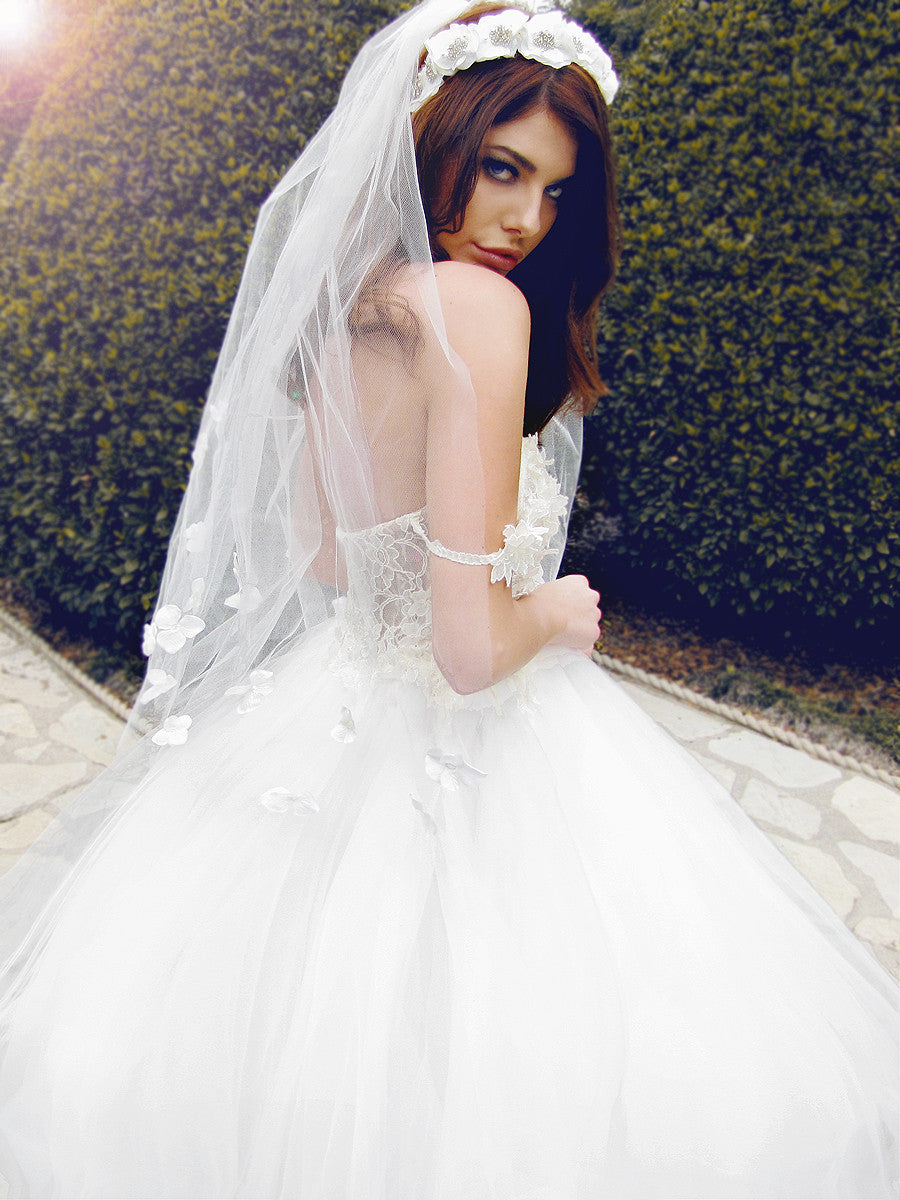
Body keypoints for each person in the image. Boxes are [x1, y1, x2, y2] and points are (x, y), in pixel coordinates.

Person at [0, 0, 897, 1195]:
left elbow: (326, 559)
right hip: (464, 737)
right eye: (501, 170)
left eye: (557, 193)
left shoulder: (345, 316)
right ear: (437, 147)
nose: (526, 220)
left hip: (326, 713)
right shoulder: (479, 312)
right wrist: (558, 611)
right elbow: (471, 653)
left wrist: (430, 581)